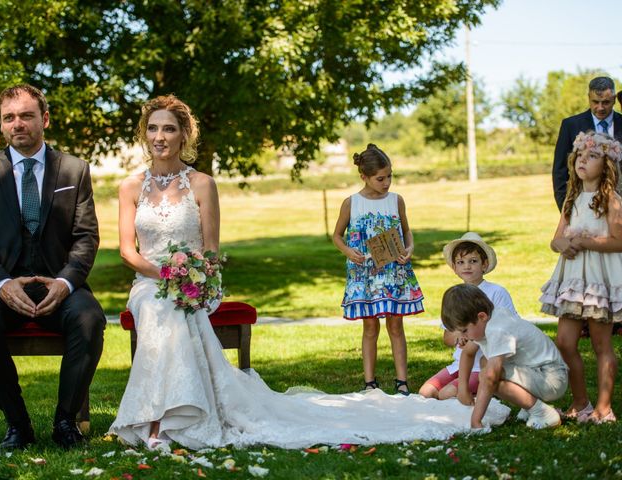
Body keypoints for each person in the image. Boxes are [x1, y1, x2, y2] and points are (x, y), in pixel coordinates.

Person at [109, 96, 509, 451]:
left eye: (169, 128)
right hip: (149, 281)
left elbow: (210, 251)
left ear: (184, 135)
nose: (160, 136)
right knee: (160, 308)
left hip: (196, 282)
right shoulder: (130, 186)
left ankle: (164, 420)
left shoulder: (202, 183)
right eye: (153, 128)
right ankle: (165, 417)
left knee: (179, 310)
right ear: (145, 134)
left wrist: (190, 279)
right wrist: (166, 276)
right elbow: (129, 251)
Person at [0, 84, 105, 450]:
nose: (18, 124)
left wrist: (65, 283)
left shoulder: (73, 170)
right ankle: (18, 424)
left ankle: (66, 422)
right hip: (0, 289)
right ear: (2, 125)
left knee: (90, 319)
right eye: (9, 118)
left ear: (45, 119)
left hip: (60, 284)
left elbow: (86, 237)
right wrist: (2, 283)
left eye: (26, 115)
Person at [541, 131, 622, 424]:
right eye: (581, 155)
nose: (583, 160)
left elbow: (619, 240)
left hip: (599, 282)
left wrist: (586, 242)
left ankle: (604, 408)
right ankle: (581, 402)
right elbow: (556, 240)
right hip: (573, 282)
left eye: (593, 156)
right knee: (564, 342)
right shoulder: (571, 199)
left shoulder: (611, 200)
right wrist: (562, 244)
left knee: (602, 345)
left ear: (608, 164)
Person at [332, 144, 424, 394]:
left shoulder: (396, 201)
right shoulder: (351, 204)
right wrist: (348, 251)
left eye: (390, 176)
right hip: (364, 274)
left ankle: (402, 381)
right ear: (364, 176)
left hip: (394, 271)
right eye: (380, 178)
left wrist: (410, 247)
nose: (387, 183)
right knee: (370, 327)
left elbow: (406, 230)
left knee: (396, 326)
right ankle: (369, 382)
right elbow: (337, 236)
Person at [442, 284, 568, 430]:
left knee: (487, 374)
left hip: (551, 378)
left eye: (464, 331)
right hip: (539, 372)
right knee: (485, 362)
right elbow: (468, 352)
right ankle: (530, 405)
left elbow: (490, 378)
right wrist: (463, 388)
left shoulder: (497, 329)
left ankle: (542, 412)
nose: (464, 337)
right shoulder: (487, 320)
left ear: (481, 316)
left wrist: (475, 421)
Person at [419, 232, 517, 401]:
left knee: (446, 393)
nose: (467, 266)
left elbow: (508, 327)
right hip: (460, 364)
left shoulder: (497, 292)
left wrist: (472, 337)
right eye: (461, 262)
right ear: (455, 268)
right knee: (425, 393)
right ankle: (469, 394)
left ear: (484, 264)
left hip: (483, 365)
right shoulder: (455, 296)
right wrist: (458, 336)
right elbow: (447, 337)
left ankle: (482, 394)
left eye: (473, 261)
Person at [552, 76, 622, 211]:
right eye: (595, 102)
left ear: (614, 99)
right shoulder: (570, 125)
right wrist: (566, 208)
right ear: (588, 97)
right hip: (583, 206)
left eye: (606, 102)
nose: (600, 107)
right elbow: (559, 171)